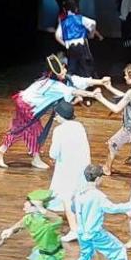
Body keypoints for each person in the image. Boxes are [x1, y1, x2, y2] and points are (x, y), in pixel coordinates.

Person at [0, 55, 105, 169]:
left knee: (23, 129)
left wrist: (100, 81)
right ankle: (17, 155)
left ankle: (7, 152)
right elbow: (75, 91)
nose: (64, 71)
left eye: (64, 69)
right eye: (61, 70)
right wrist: (91, 94)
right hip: (27, 107)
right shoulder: (56, 85)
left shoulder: (51, 79)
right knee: (32, 131)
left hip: (24, 102)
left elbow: (81, 81)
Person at [63, 165, 131, 260]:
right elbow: (112, 208)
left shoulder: (79, 193)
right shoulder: (98, 196)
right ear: (98, 179)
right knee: (118, 250)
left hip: (82, 233)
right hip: (95, 233)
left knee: (84, 258)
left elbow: (73, 208)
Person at [46, 101, 89, 242]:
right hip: (83, 166)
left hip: (68, 169)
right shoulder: (79, 126)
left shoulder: (59, 130)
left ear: (60, 115)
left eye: (56, 115)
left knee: (66, 198)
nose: (55, 118)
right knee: (79, 196)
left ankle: (74, 229)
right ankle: (83, 225)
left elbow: (53, 153)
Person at [55, 0, 103, 79]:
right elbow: (93, 23)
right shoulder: (80, 18)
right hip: (82, 45)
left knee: (72, 66)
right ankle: (89, 83)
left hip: (70, 47)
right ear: (76, 9)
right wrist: (91, 34)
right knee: (86, 65)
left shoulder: (63, 22)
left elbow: (57, 36)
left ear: (64, 9)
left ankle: (70, 83)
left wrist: (66, 44)